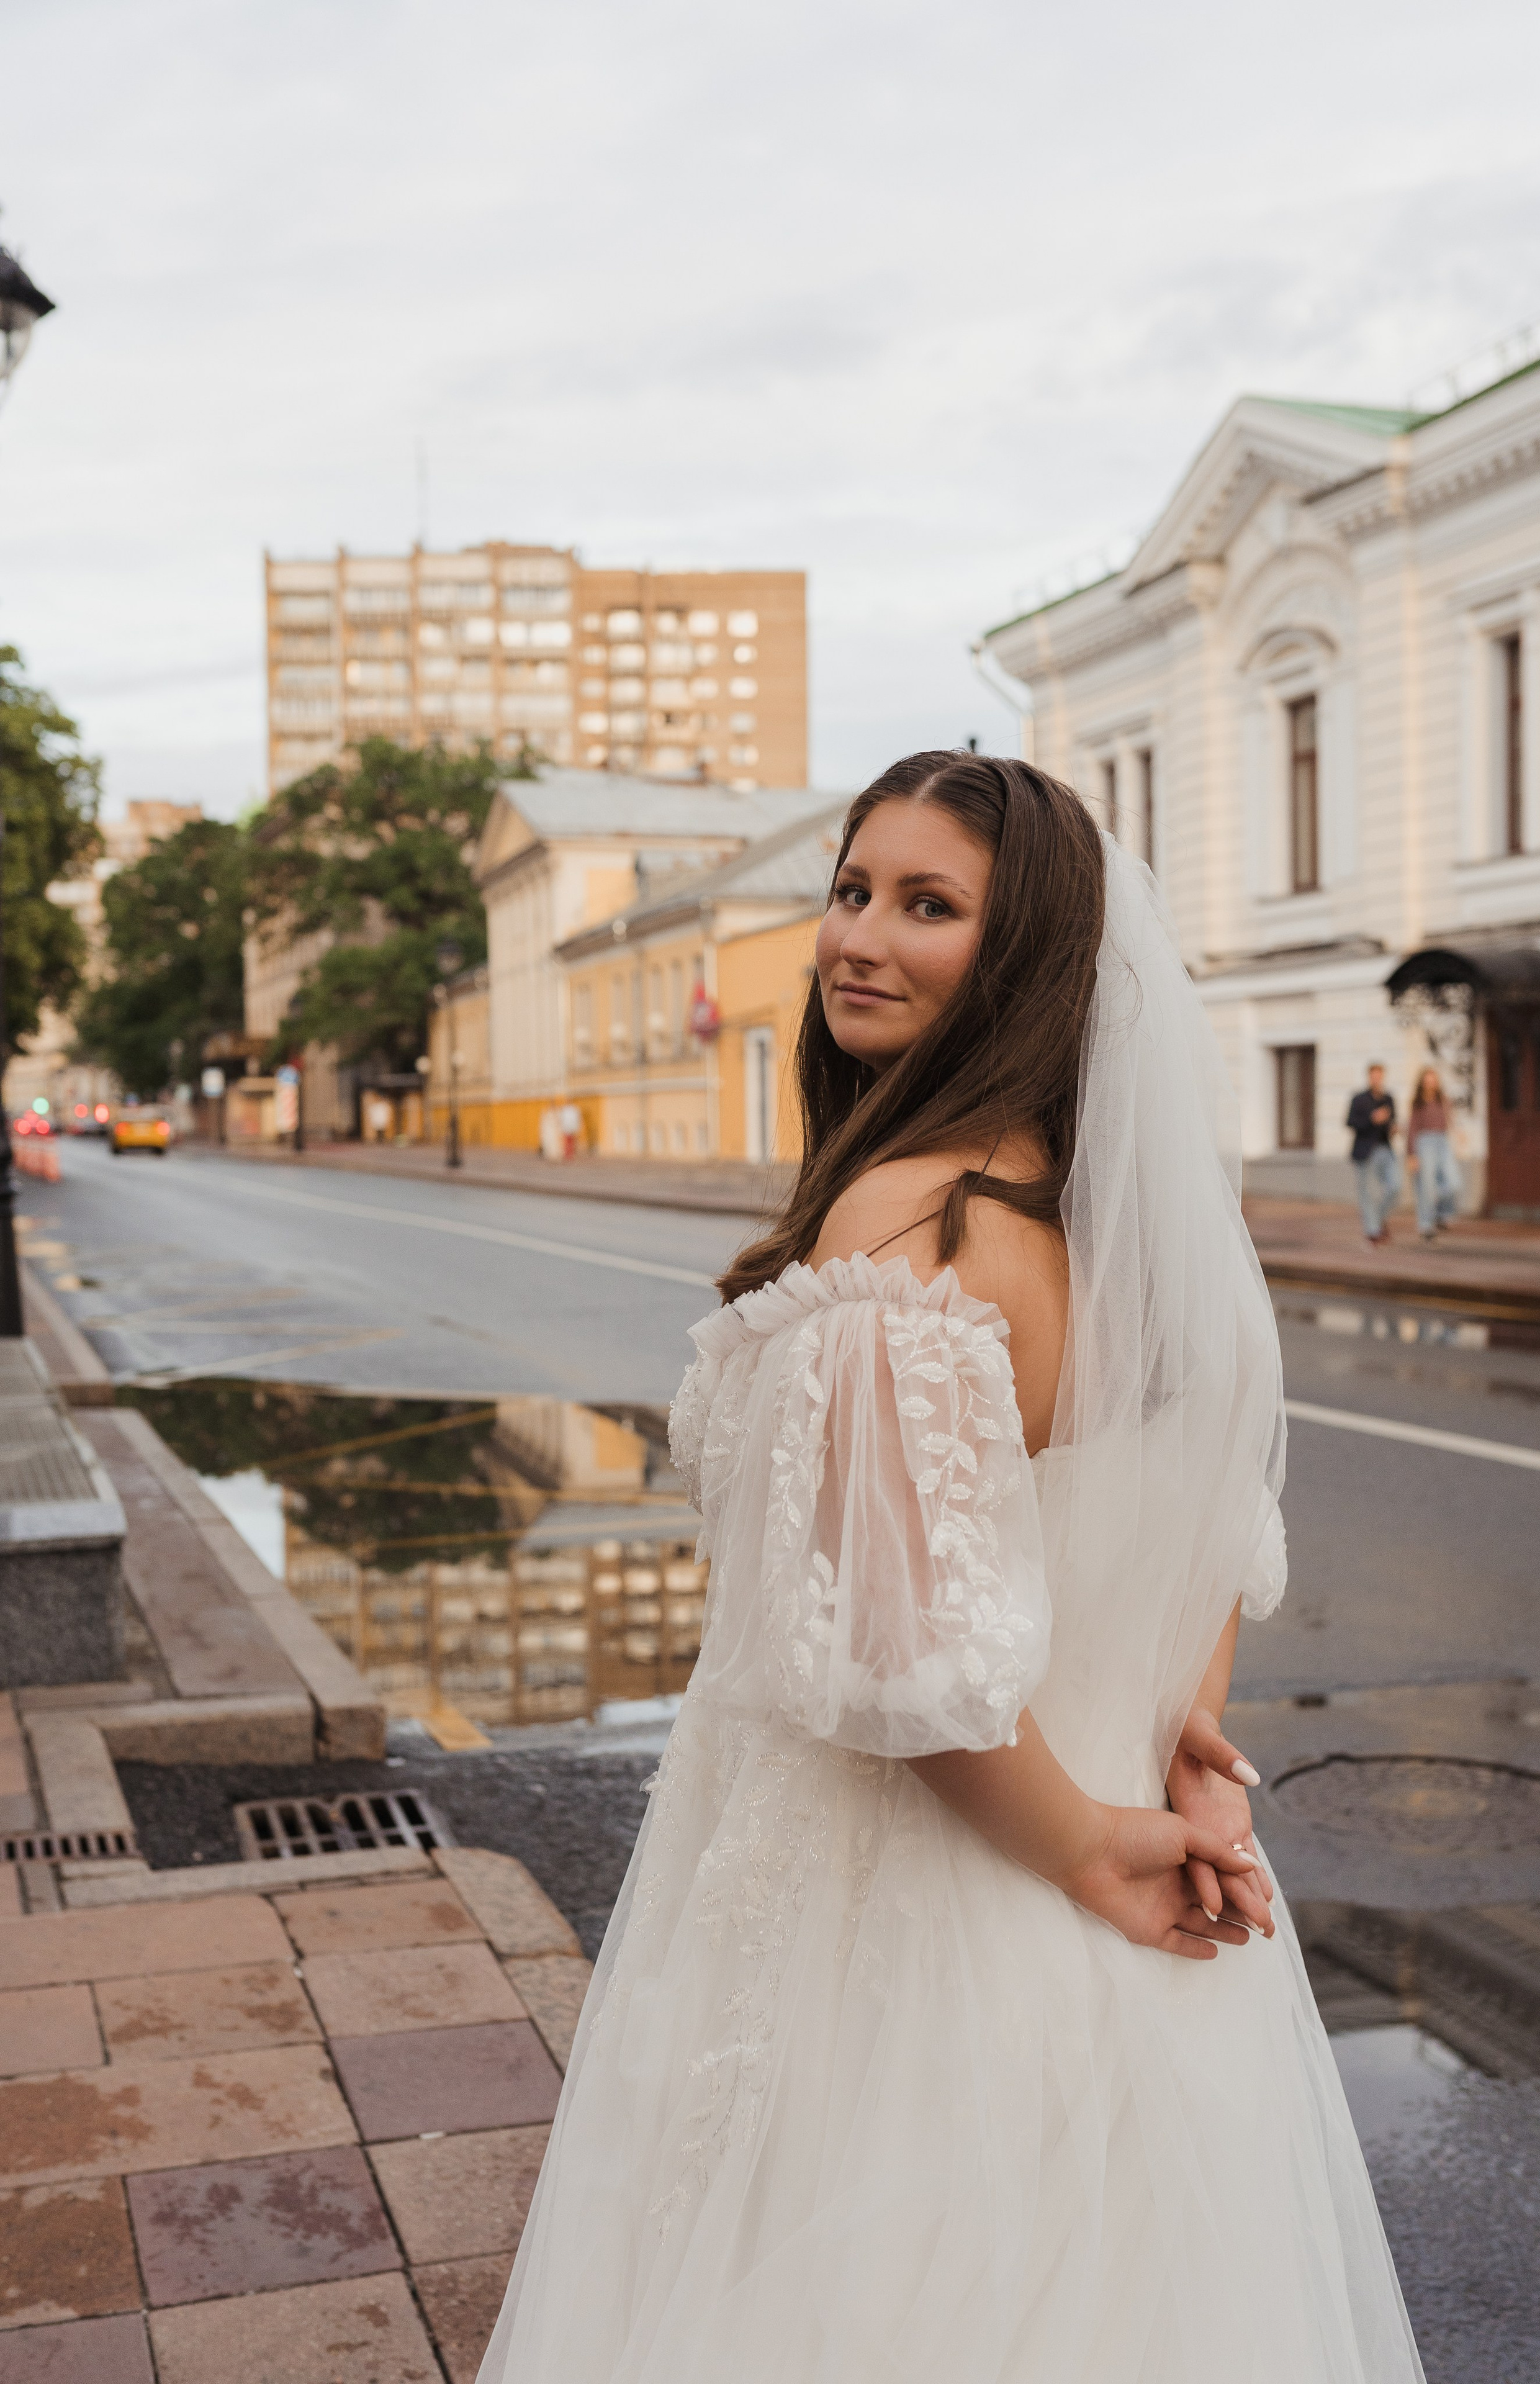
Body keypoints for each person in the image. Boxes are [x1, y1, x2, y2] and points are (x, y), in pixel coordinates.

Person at [481, 754, 1425, 2384]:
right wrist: (1182, 1740)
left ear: (1028, 954)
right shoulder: (1121, 1234)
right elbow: (1210, 1536)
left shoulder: (907, 1226)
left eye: (929, 905)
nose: (860, 936)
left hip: (901, 1896)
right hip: (1109, 1877)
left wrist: (1087, 1847)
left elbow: (900, 1661)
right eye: (852, 889)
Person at [1346, 1062, 1400, 1245]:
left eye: (1379, 1076)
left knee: (1395, 1186)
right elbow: (1350, 1122)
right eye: (1373, 1076)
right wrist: (1372, 1119)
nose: (1376, 1080)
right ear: (1369, 1077)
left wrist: (1393, 1128)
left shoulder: (1388, 1099)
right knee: (1367, 1193)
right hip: (1365, 1151)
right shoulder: (1359, 1099)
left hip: (1385, 1149)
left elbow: (1391, 1123)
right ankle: (1372, 1231)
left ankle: (1378, 1219)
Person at [1407, 1066, 1461, 1241]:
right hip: (1424, 1142)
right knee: (1426, 1186)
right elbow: (1412, 1128)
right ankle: (1426, 1225)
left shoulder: (1443, 1100)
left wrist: (1459, 1135)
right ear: (1423, 1083)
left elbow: (1451, 1121)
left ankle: (1442, 1213)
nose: (1431, 1084)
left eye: (1433, 1080)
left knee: (1454, 1183)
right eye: (1428, 1081)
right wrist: (1412, 1154)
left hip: (1443, 1141)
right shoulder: (1418, 1103)